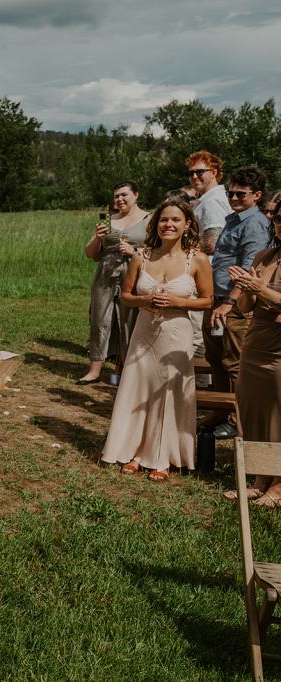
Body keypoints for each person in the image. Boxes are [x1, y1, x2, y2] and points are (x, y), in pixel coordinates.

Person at [101, 199, 213, 479]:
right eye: (164, 220)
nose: (169, 225)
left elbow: (208, 300)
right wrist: (144, 299)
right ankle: (135, 451)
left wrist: (178, 301)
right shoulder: (142, 255)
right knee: (139, 387)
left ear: (187, 224)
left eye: (176, 220)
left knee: (169, 390)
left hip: (176, 332)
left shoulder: (196, 259)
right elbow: (126, 296)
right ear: (156, 224)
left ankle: (164, 456)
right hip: (144, 330)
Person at [204, 166, 272, 438]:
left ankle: (236, 419)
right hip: (217, 298)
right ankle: (221, 409)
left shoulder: (254, 223)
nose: (233, 198)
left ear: (256, 195)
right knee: (215, 358)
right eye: (230, 192)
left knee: (233, 362)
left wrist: (229, 303)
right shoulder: (234, 219)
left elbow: (247, 269)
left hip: (233, 304)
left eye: (240, 194)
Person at [224, 210, 281, 504]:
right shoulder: (264, 256)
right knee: (254, 412)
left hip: (280, 349)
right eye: (280, 218)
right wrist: (248, 288)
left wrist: (261, 289)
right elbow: (245, 307)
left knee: (280, 414)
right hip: (256, 343)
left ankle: (279, 486)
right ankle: (260, 479)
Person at [78, 181, 150, 384]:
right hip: (106, 274)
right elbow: (91, 254)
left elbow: (158, 251)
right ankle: (94, 370)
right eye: (116, 196)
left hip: (133, 273)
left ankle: (128, 370)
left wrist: (135, 251)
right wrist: (97, 239)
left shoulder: (149, 219)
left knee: (129, 320)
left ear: (136, 195)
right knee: (99, 318)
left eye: (124, 195)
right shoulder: (109, 220)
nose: (119, 199)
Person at [188, 151, 230, 254]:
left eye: (199, 172)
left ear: (214, 173)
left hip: (211, 265)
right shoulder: (210, 198)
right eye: (190, 173)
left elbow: (212, 244)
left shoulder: (212, 201)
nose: (194, 176)